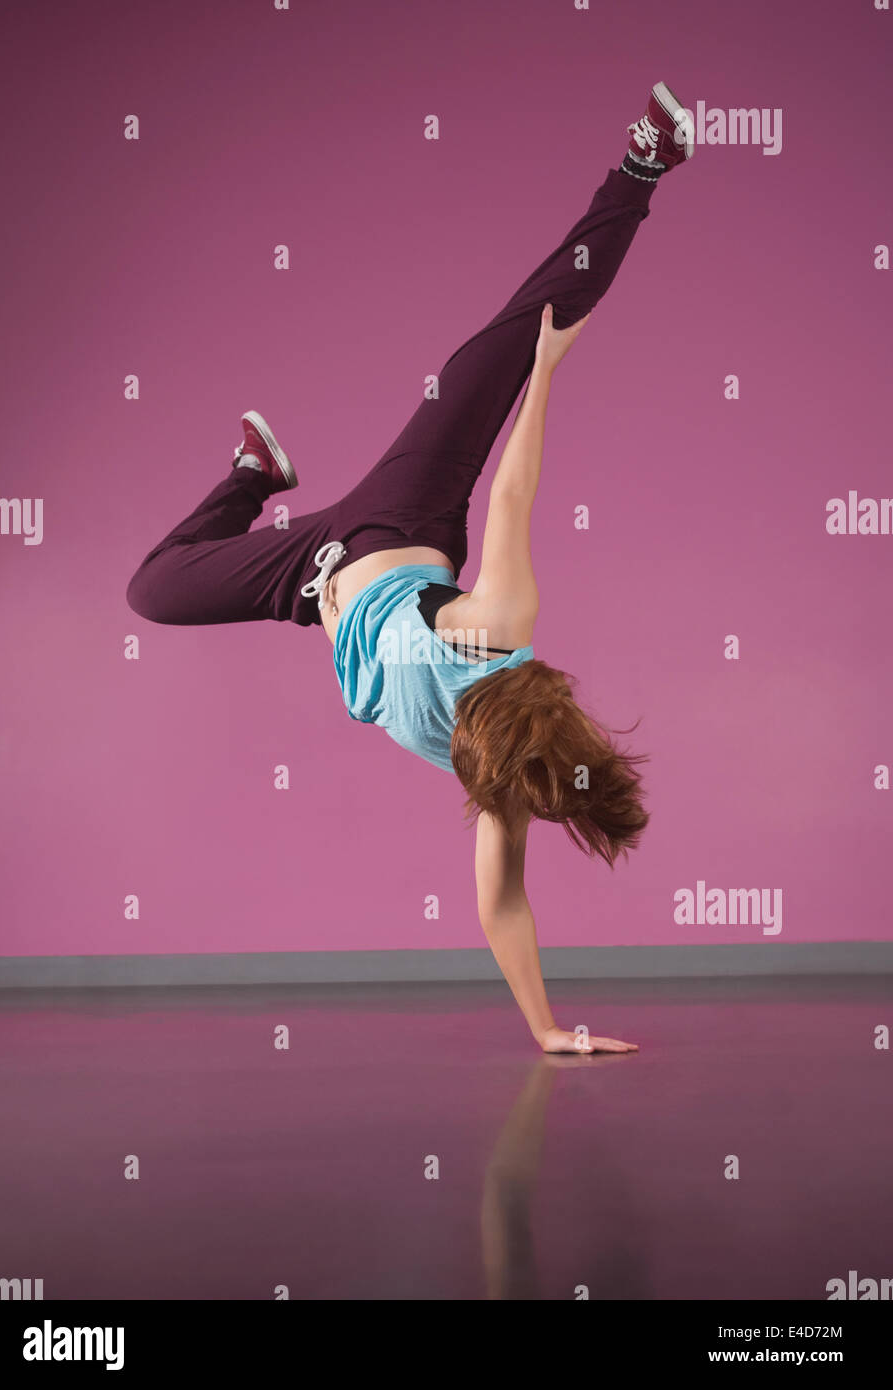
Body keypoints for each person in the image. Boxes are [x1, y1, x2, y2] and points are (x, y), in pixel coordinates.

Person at [127, 83, 696, 1054]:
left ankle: (253, 476)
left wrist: (549, 1030)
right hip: (404, 515)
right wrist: (546, 372)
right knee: (514, 334)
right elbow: (510, 496)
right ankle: (645, 162)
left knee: (153, 589)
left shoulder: (507, 779)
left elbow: (499, 911)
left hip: (313, 578)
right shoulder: (496, 632)